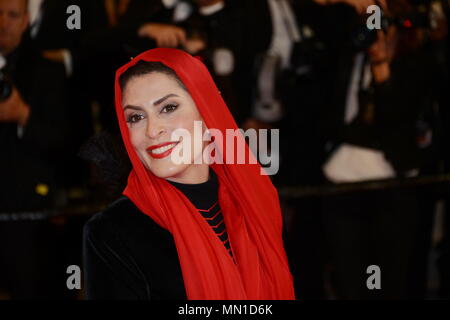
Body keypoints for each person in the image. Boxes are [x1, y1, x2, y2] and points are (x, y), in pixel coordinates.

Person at [82, 48, 295, 300]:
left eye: (168, 107)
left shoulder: (255, 201)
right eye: (136, 117)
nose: (152, 130)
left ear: (206, 111)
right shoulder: (112, 231)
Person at [0, 0, 68, 298]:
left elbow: (66, 144)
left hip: (29, 217)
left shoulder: (47, 72)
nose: (3, 23)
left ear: (27, 20)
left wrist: (22, 115)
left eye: (12, 15)